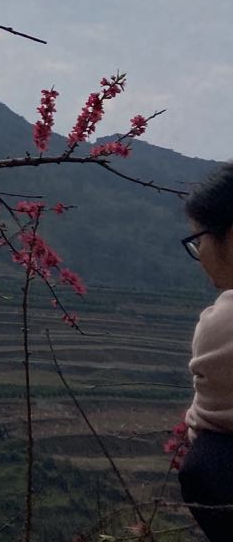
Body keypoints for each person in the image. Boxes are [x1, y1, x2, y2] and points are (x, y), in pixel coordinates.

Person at [181, 164, 233, 539]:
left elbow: (204, 425)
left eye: (199, 240)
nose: (199, 254)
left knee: (208, 462)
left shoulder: (223, 323)